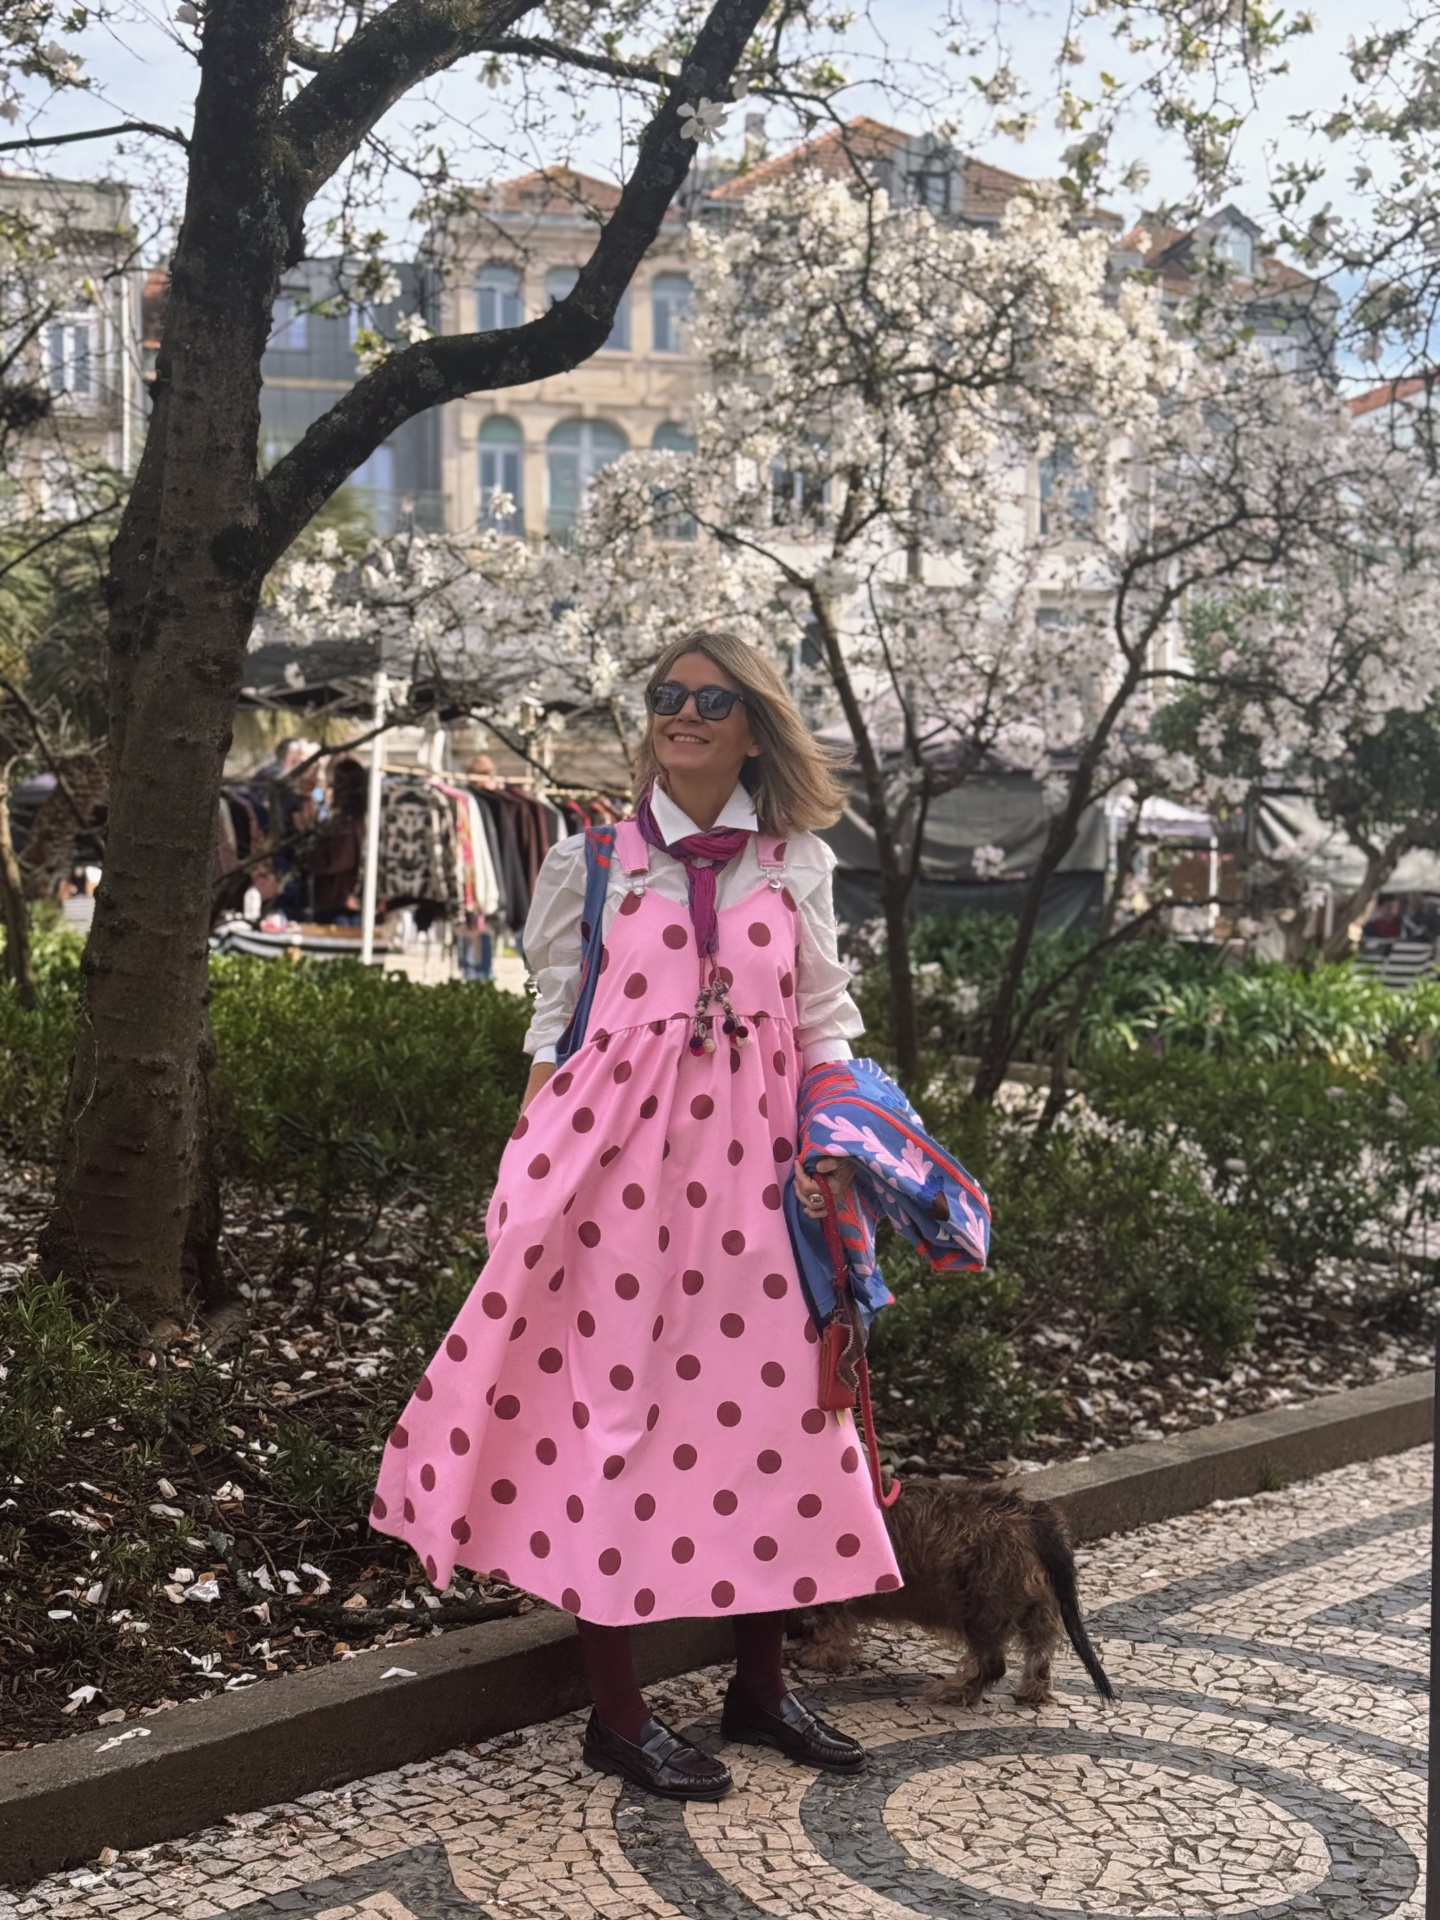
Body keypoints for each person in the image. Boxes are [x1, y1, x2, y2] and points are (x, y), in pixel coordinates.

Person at [370, 628, 899, 1801]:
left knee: (779, 1431)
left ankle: (760, 1690)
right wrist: (519, 1180)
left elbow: (823, 1027)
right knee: (613, 1432)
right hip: (614, 1202)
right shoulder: (594, 863)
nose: (686, 714)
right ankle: (617, 1715)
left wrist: (839, 1150)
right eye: (668, 695)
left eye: (713, 699)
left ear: (754, 723)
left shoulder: (792, 863)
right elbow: (550, 1038)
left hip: (764, 1200)